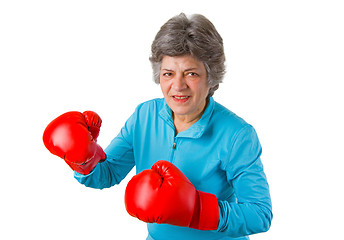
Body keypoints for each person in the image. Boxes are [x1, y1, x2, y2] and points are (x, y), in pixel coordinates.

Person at [43, 13, 272, 240]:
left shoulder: (237, 135)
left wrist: (196, 209)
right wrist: (84, 158)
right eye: (168, 74)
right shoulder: (145, 116)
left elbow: (259, 214)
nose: (178, 86)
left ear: (211, 78)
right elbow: (107, 173)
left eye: (191, 73)